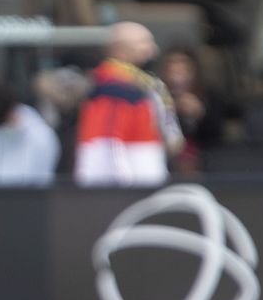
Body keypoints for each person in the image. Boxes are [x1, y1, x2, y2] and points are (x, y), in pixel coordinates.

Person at [74, 21, 183, 187]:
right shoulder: (113, 88)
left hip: (143, 177)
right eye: (144, 43)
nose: (153, 50)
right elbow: (106, 147)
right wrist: (122, 192)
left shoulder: (141, 83)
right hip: (126, 184)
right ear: (120, 49)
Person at [0, 83, 59, 187]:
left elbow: (42, 181)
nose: (5, 127)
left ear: (13, 111)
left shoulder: (42, 137)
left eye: (6, 121)